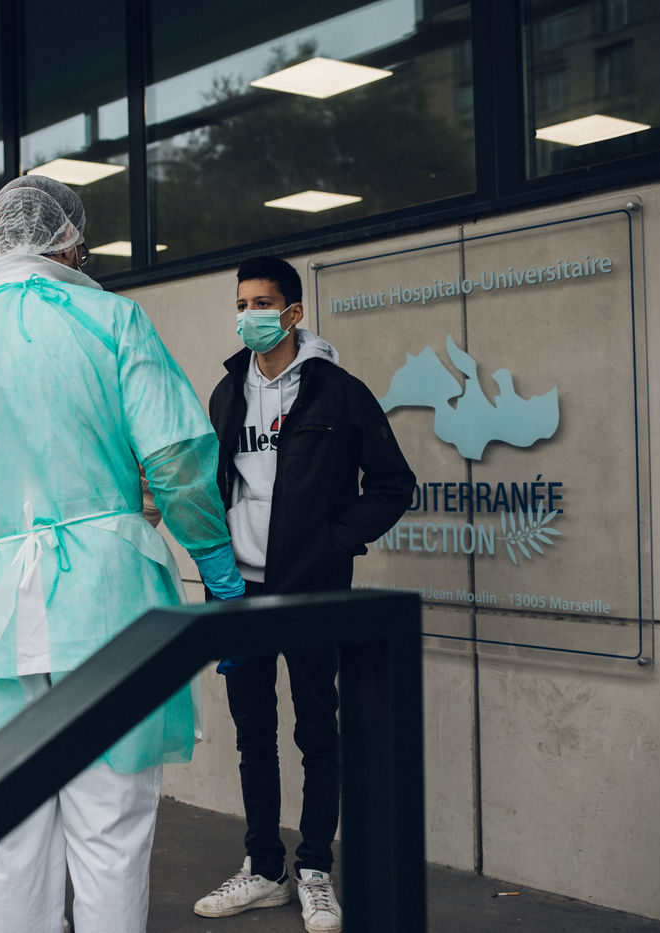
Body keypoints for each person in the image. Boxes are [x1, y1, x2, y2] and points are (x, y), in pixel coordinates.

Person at [0, 174, 245, 933]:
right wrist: (218, 571)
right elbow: (176, 459)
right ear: (69, 243)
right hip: (109, 607)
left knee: (5, 836)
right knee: (111, 830)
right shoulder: (115, 321)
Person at [192, 257, 415, 933]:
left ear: (292, 312)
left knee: (318, 730)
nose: (248, 315)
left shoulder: (339, 393)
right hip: (239, 591)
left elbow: (392, 485)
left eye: (261, 303)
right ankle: (265, 868)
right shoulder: (226, 393)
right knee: (253, 735)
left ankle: (316, 868)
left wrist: (332, 542)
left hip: (313, 590)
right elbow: (215, 487)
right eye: (241, 304)